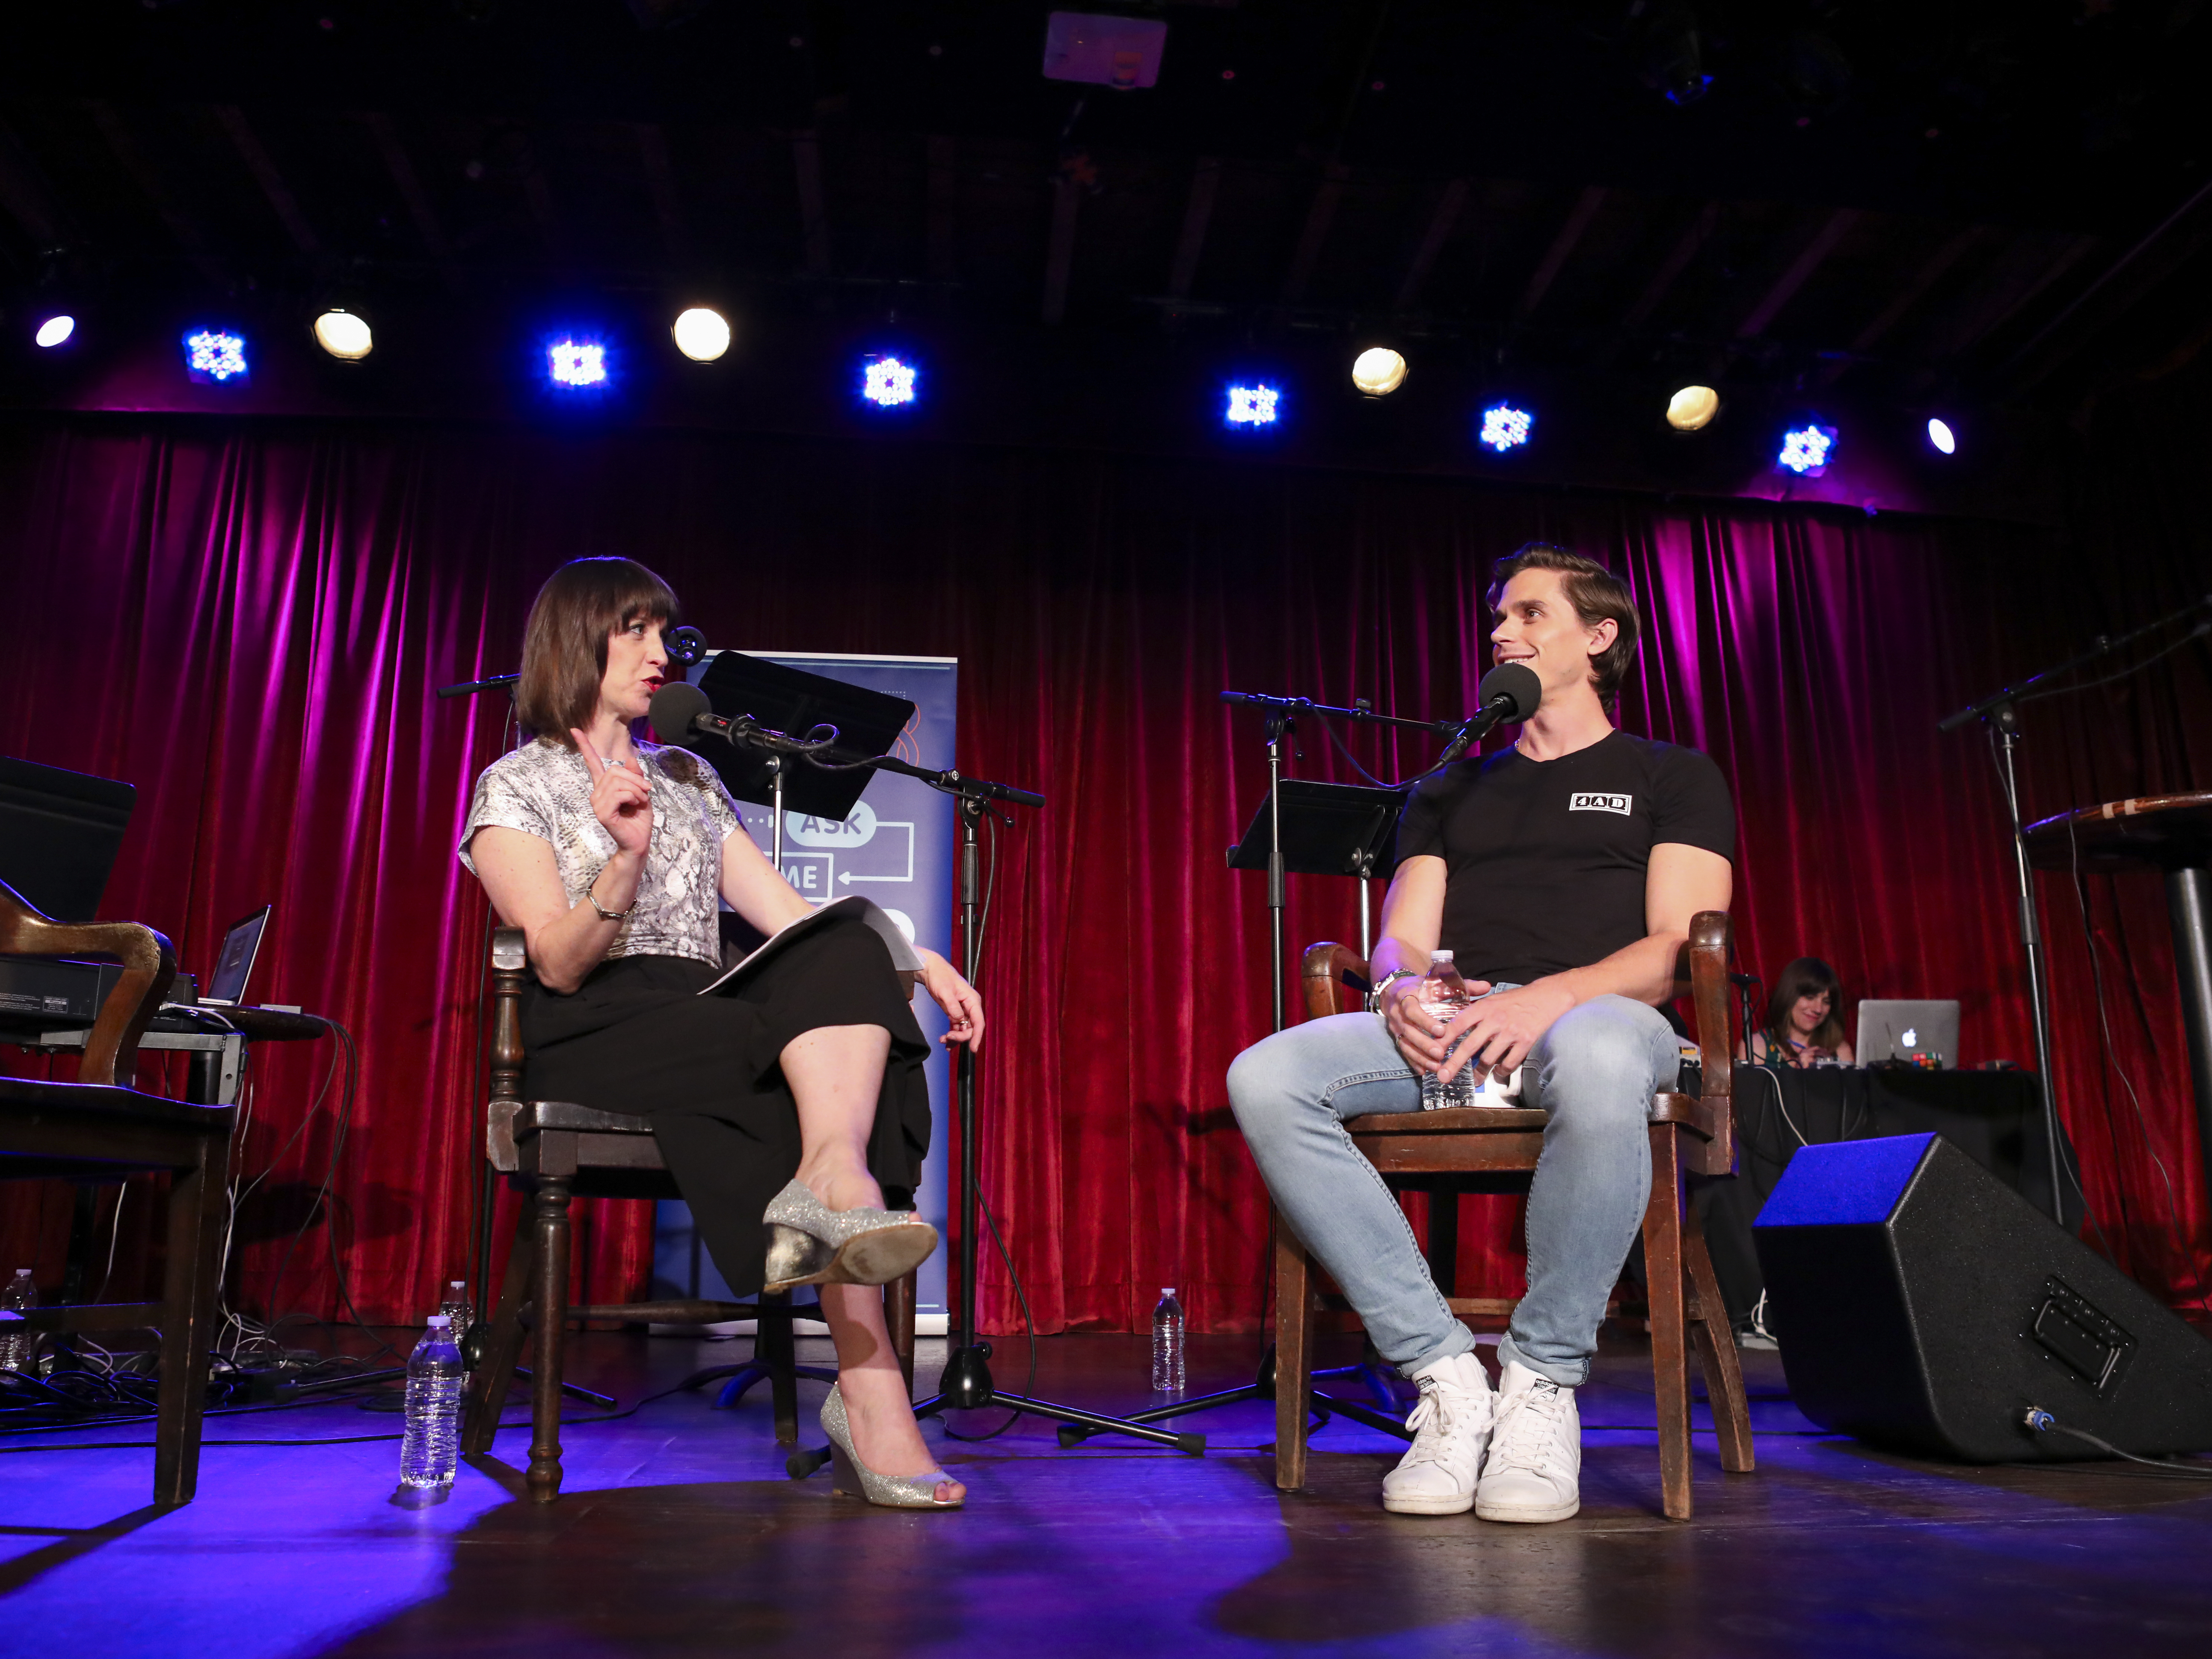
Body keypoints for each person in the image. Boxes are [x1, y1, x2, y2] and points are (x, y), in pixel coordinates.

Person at [460, 557, 983, 1509]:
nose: (665, 653)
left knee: (851, 943)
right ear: (578, 637)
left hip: (703, 1008)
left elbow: (790, 916)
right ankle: (873, 1396)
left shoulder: (690, 775)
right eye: (639, 630)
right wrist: (622, 862)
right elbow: (559, 966)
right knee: (800, 1058)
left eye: (666, 632)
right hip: (597, 1019)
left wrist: (914, 959)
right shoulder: (516, 784)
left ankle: (833, 1183)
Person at [1227, 543, 1735, 1523]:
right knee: (1269, 1074)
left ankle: (1542, 1382)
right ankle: (1445, 1374)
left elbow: (1673, 944)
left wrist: (1550, 997)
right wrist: (1401, 989)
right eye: (1499, 618)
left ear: (1600, 637)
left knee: (1592, 1047)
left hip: (1606, 1026)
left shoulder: (1670, 773)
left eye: (1531, 615)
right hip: (1467, 1040)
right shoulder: (1450, 787)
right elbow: (1404, 935)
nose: (1503, 633)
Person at [1744, 958, 1853, 1067]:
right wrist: (1799, 1073)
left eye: (1826, 1002)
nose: (1818, 1009)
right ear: (1789, 996)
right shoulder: (1756, 1046)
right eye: (1810, 998)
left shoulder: (1840, 1050)